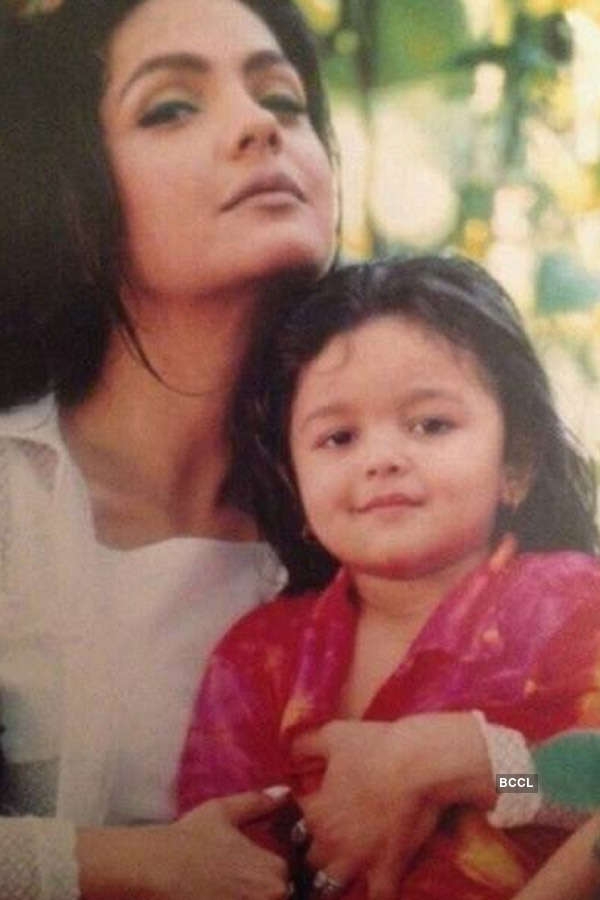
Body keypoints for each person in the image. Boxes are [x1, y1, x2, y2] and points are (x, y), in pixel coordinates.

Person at [0, 0, 337, 896]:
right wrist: (122, 865)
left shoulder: (392, 498)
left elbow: (578, 790)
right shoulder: (12, 500)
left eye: (284, 99)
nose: (260, 126)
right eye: (172, 107)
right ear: (73, 197)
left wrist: (476, 765)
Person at [177, 255, 600, 898]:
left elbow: (587, 785)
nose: (382, 459)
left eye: (431, 424)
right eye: (339, 438)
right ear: (294, 486)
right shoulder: (257, 660)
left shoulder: (569, 604)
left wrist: (478, 768)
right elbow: (212, 859)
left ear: (515, 462)